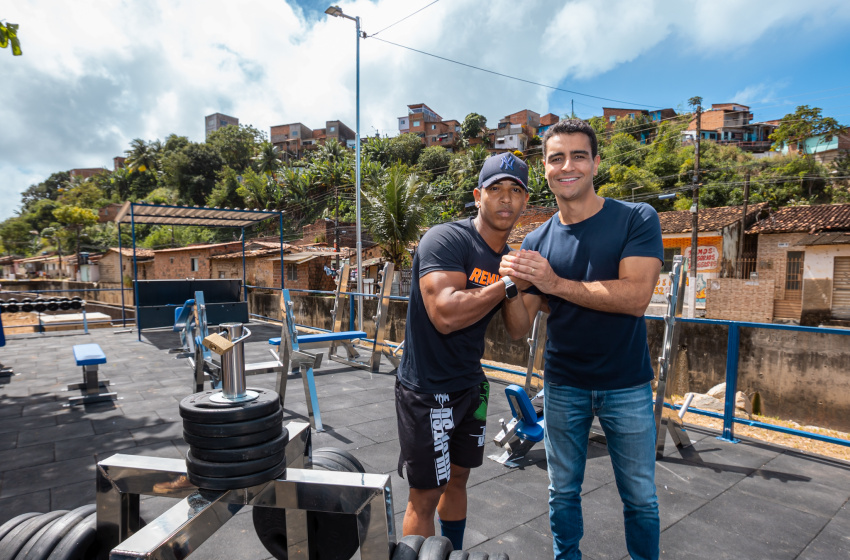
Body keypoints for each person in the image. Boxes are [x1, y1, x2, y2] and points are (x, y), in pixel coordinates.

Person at [500, 119, 663, 560]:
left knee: (641, 497)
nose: (567, 166)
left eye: (578, 156)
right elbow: (518, 328)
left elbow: (635, 298)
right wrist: (511, 284)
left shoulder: (635, 218)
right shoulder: (536, 240)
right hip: (564, 384)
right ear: (546, 168)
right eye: (557, 158)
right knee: (562, 492)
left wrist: (554, 283)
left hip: (626, 384)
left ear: (595, 163)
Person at [396, 152, 530, 550]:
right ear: (478, 195)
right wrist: (505, 286)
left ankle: (449, 553)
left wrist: (515, 281)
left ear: (524, 202)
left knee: (458, 478)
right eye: (496, 190)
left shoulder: (506, 259)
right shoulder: (447, 239)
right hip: (426, 390)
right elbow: (445, 314)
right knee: (425, 493)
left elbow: (519, 329)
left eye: (516, 191)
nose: (506, 199)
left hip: (470, 385)